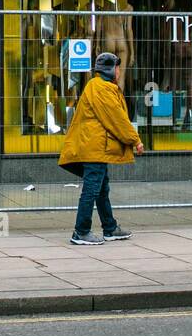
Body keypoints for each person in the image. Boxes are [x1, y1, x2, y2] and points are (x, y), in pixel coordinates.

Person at [58, 52, 143, 246]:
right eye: (118, 67)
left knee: (101, 188)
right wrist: (135, 140)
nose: (120, 71)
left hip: (96, 146)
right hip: (94, 147)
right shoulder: (102, 89)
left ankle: (110, 228)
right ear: (111, 69)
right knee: (92, 189)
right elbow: (117, 119)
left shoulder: (97, 86)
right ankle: (81, 231)